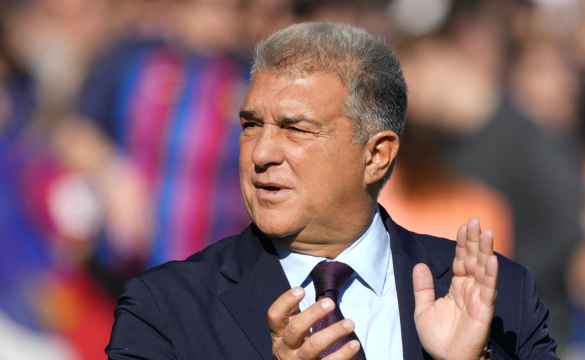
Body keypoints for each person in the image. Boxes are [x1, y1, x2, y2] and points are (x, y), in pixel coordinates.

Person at [107, 22, 558, 359]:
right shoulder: (164, 309)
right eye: (250, 125)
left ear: (376, 155)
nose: (261, 152)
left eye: (295, 129)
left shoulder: (500, 299)